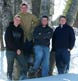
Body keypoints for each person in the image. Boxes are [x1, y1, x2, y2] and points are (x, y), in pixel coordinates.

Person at [17, 2, 39, 69]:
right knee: (23, 53)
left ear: (27, 8)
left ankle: (30, 68)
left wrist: (32, 27)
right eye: (22, 8)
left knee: (29, 53)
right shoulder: (18, 15)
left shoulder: (30, 15)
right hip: (21, 37)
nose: (24, 9)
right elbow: (15, 22)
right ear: (21, 8)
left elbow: (37, 21)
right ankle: (24, 68)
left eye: (25, 8)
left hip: (29, 37)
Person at [5, 16, 27, 80]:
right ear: (14, 20)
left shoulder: (21, 30)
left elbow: (22, 41)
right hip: (10, 50)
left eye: (19, 20)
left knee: (24, 64)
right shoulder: (9, 29)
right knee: (10, 65)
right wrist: (16, 49)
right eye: (16, 19)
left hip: (19, 51)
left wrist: (20, 49)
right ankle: (9, 77)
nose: (18, 21)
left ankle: (22, 76)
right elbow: (8, 41)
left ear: (20, 21)